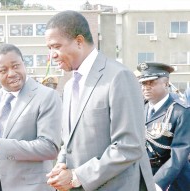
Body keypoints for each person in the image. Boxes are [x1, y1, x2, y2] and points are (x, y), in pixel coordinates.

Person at [45, 10, 155, 191]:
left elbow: (129, 146)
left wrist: (77, 176)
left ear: (79, 42)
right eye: (49, 49)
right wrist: (61, 164)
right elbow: (69, 140)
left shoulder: (118, 76)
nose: (52, 55)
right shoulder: (69, 85)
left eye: (56, 46)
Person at [0, 43, 62, 191]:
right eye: (3, 70)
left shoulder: (47, 96)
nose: (11, 73)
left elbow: (49, 147)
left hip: (32, 187)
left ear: (24, 64)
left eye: (16, 66)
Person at [137, 62, 190, 191]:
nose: (146, 87)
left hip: (171, 181)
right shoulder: (140, 108)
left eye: (152, 83)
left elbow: (179, 153)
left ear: (166, 84)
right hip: (144, 177)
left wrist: (158, 182)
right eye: (144, 83)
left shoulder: (181, 111)